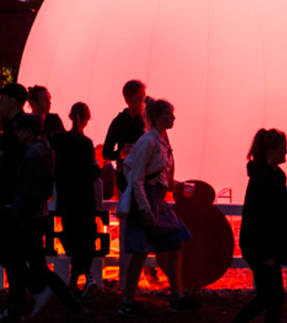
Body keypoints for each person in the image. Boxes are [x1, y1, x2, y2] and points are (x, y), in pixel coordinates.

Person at [0, 113, 86, 322]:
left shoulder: (32, 155)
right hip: (37, 215)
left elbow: (29, 189)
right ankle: (71, 305)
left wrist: (17, 211)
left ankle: (19, 306)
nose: (16, 133)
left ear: (29, 132)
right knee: (35, 265)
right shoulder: (45, 150)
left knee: (16, 262)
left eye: (20, 130)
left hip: (27, 217)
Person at [117, 97, 198, 316]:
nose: (173, 118)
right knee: (140, 253)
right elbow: (137, 179)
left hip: (156, 200)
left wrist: (178, 186)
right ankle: (128, 302)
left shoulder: (162, 142)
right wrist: (145, 208)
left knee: (175, 242)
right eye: (169, 114)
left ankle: (176, 295)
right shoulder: (149, 142)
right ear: (158, 117)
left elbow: (159, 178)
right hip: (146, 201)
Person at [233, 128, 287, 323]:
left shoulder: (268, 176)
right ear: (272, 150)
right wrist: (266, 253)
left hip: (262, 247)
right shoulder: (266, 179)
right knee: (271, 298)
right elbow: (261, 218)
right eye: (283, 148)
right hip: (262, 248)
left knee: (270, 298)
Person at [54, 102, 100, 299]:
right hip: (83, 198)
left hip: (66, 197)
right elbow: (89, 173)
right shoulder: (85, 143)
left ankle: (75, 282)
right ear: (84, 119)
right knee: (86, 240)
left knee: (72, 239)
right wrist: (97, 168)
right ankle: (84, 278)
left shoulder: (58, 140)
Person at [104, 79, 147, 195]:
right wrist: (120, 153)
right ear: (127, 99)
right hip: (125, 180)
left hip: (146, 179)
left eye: (143, 97)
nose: (142, 100)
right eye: (139, 97)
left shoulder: (149, 121)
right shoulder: (119, 122)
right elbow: (106, 152)